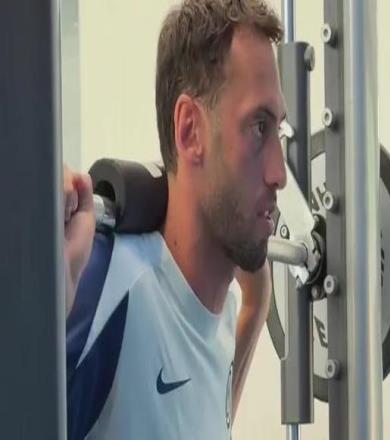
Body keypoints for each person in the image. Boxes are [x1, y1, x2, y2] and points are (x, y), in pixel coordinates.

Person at [64, 0, 287, 438]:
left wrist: (258, 305)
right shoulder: (105, 286)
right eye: (258, 128)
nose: (279, 173)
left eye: (277, 130)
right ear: (189, 130)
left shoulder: (221, 320)